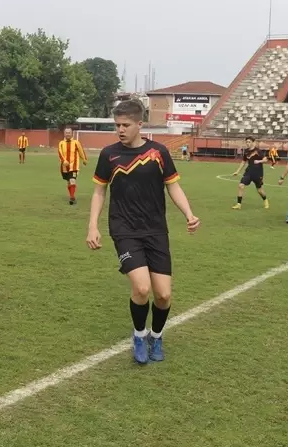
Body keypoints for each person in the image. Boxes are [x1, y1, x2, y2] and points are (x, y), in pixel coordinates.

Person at [87, 98, 200, 365]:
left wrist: (189, 213)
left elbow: (172, 186)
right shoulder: (109, 155)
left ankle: (156, 336)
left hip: (156, 230)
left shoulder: (158, 152)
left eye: (125, 125)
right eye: (117, 125)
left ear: (140, 124)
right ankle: (139, 335)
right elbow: (99, 191)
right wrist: (92, 225)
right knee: (141, 288)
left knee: (163, 295)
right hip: (124, 229)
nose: (120, 130)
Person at [230, 136, 270, 210]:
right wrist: (237, 171)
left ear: (253, 142)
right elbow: (243, 162)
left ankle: (265, 200)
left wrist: (259, 161)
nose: (248, 143)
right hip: (248, 172)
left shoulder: (258, 151)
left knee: (259, 190)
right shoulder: (246, 151)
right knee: (241, 185)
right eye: (247, 142)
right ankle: (239, 204)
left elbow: (265, 159)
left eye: (249, 142)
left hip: (258, 173)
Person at [57, 127, 89, 205]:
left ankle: (72, 197)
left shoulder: (76, 142)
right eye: (66, 132)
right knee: (69, 182)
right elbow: (60, 153)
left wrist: (84, 159)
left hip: (74, 166)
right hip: (64, 167)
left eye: (69, 132)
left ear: (72, 134)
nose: (68, 134)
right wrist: (64, 161)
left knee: (72, 180)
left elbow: (81, 151)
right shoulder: (61, 143)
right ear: (64, 134)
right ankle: (71, 195)